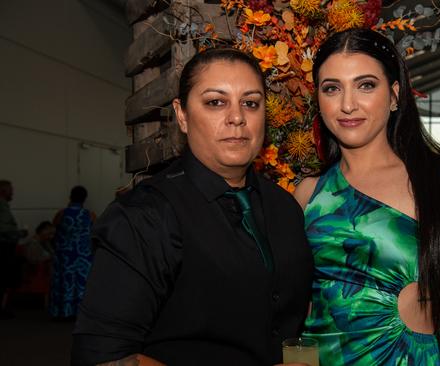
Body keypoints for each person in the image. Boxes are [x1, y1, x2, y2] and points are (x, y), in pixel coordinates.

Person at [71, 48, 313, 366]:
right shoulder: (145, 216)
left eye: (251, 103)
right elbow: (101, 357)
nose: (237, 117)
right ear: (182, 115)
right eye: (216, 102)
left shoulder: (285, 206)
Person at [293, 29, 440, 365]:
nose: (347, 104)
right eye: (332, 88)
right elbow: (303, 313)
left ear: (395, 95)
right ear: (319, 100)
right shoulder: (309, 195)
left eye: (366, 85)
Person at [49, 185, 95, 319]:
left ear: (70, 196)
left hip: (64, 254)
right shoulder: (90, 215)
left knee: (64, 281)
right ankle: (80, 312)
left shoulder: (61, 214)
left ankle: (62, 311)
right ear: (84, 199)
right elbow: (96, 233)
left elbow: (53, 231)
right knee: (81, 282)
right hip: (83, 255)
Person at [0, 180, 28, 318]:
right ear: (3, 191)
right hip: (4, 247)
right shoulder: (2, 206)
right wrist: (20, 233)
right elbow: (4, 229)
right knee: (5, 279)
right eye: (11, 190)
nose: (13, 193)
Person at [15, 221, 55, 300]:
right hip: (34, 271)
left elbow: (52, 254)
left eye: (53, 234)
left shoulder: (45, 243)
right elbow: (34, 260)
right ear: (43, 230)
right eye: (50, 233)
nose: (52, 236)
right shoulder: (33, 244)